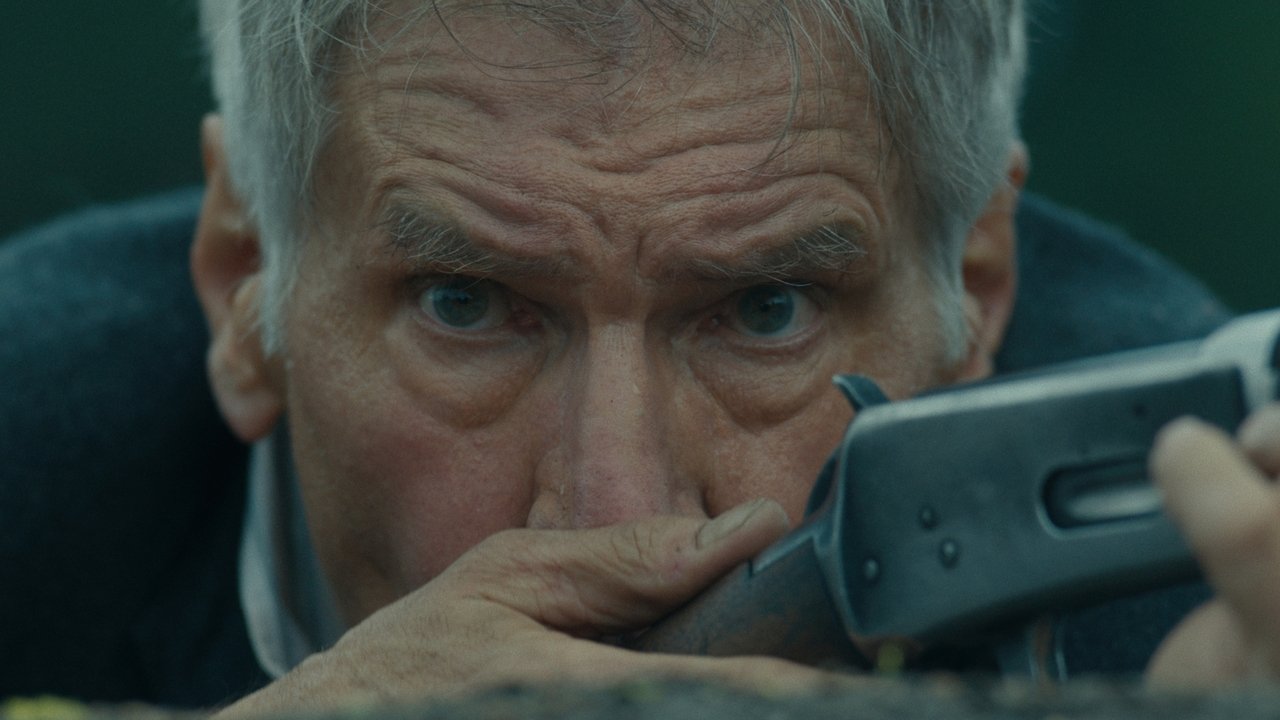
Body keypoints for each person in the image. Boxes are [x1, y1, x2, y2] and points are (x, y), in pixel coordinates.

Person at [0, 0, 1273, 711]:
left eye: (765, 309)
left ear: (975, 293)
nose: (618, 511)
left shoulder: (1196, 607)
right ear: (244, 286)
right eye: (464, 303)